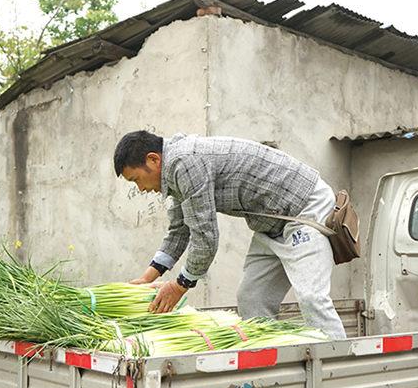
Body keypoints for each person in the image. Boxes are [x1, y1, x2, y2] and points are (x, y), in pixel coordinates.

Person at [113, 130, 346, 339]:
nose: (141, 189)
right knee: (252, 299)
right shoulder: (175, 170)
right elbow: (178, 229)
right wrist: (147, 279)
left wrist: (180, 285)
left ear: (153, 159)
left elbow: (205, 236)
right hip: (272, 223)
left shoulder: (185, 162)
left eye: (136, 180)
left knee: (312, 299)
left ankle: (337, 370)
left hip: (303, 210)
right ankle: (273, 371)